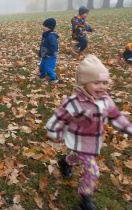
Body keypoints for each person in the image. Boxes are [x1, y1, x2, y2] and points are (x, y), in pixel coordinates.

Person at [46, 54, 132, 210]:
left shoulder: (106, 100)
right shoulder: (74, 103)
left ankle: (65, 162)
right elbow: (58, 117)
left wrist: (128, 128)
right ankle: (85, 200)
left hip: (94, 141)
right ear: (83, 84)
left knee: (75, 155)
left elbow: (116, 116)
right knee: (93, 172)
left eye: (105, 83)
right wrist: (54, 131)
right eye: (96, 82)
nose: (102, 87)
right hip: (79, 140)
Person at [38, 18, 59, 83]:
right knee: (42, 66)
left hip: (51, 56)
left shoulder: (51, 36)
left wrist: (49, 53)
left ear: (50, 28)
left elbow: (54, 46)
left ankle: (54, 78)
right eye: (44, 25)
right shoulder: (45, 35)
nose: (43, 27)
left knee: (48, 67)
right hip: (44, 55)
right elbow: (42, 45)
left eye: (46, 26)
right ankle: (42, 75)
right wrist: (40, 54)